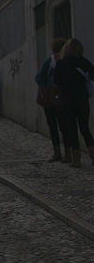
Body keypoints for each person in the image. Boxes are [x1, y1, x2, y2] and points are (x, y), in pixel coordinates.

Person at [53, 38, 94, 168]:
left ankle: (76, 160)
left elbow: (57, 81)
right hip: (83, 100)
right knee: (85, 128)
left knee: (72, 130)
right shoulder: (83, 61)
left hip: (68, 101)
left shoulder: (61, 63)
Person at [34, 37, 68, 162]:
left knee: (64, 126)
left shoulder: (65, 63)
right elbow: (39, 77)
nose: (57, 57)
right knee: (52, 127)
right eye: (56, 55)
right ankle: (57, 152)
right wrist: (46, 90)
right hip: (49, 101)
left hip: (61, 101)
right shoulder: (49, 63)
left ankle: (68, 152)